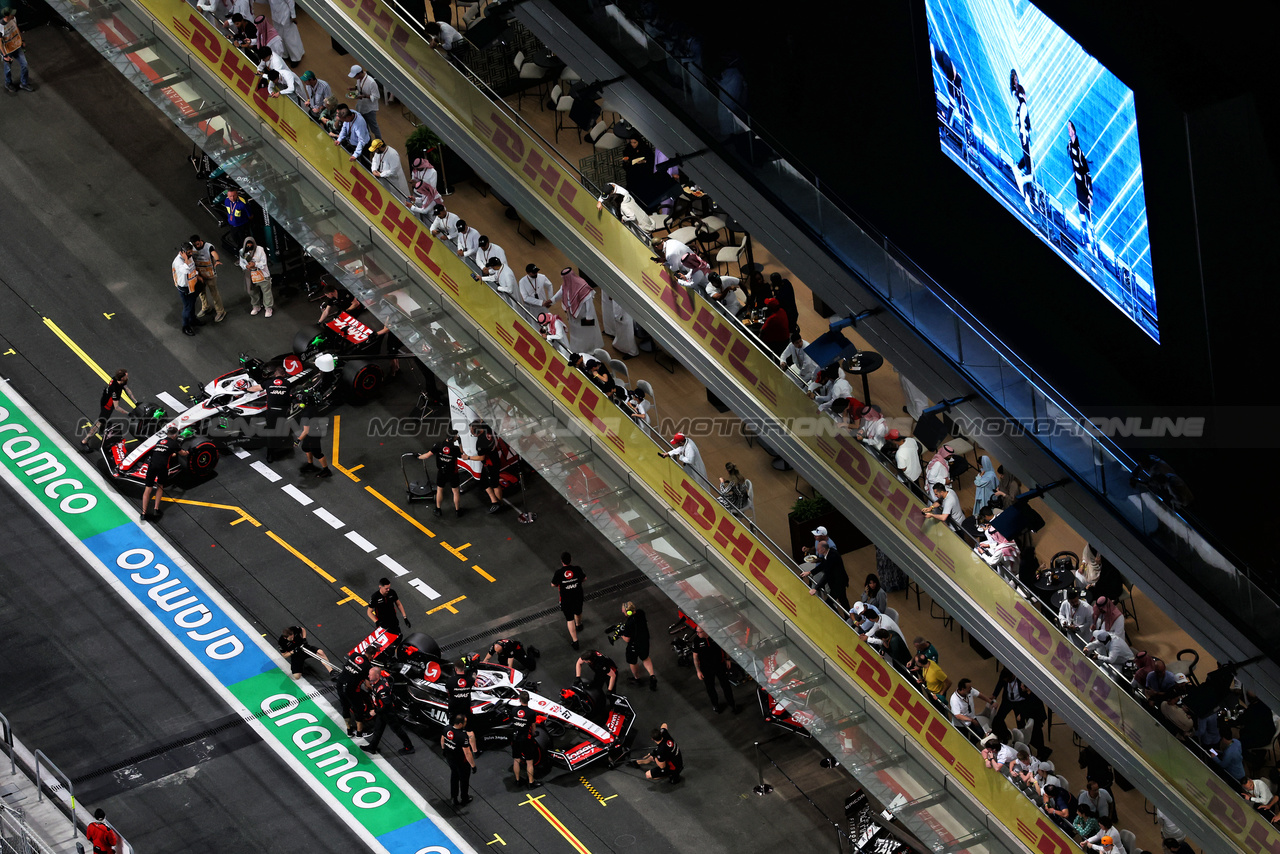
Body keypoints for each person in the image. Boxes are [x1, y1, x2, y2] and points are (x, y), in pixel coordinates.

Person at [551, 267, 603, 352]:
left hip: (584, 317)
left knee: (587, 335)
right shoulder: (566, 285)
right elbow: (561, 292)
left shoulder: (582, 286)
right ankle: (579, 350)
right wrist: (552, 301)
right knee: (577, 334)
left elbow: (589, 304)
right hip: (573, 316)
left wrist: (588, 319)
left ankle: (590, 350)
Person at [140, 426, 186, 520]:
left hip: (152, 466)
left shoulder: (159, 441)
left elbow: (165, 452)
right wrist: (189, 451)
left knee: (147, 489)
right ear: (174, 435)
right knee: (160, 486)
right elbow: (183, 453)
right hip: (162, 467)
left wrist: (173, 453)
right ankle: (156, 508)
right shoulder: (174, 443)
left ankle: (143, 513)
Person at [692, 626, 739, 713]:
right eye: (697, 632)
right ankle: (715, 705)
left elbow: (725, 647)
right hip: (706, 668)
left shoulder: (716, 637)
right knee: (710, 688)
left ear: (705, 631)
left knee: (726, 686)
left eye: (699, 632)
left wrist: (728, 659)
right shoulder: (697, 640)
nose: (697, 634)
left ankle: (732, 705)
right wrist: (698, 671)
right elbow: (695, 656)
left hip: (719, 665)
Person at [81, 369, 129, 451]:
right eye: (126, 375)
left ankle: (102, 428)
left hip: (105, 400)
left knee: (103, 420)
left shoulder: (116, 379)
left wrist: (135, 401)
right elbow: (117, 407)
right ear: (122, 378)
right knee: (99, 423)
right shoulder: (115, 390)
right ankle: (84, 441)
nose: (127, 376)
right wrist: (128, 413)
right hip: (107, 406)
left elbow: (127, 389)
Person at [419, 430, 463, 517]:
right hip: (452, 473)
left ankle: (438, 509)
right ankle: (458, 510)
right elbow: (463, 455)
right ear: (454, 437)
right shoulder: (455, 449)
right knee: (455, 491)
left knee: (440, 490)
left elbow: (427, 455)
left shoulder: (438, 445)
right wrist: (460, 443)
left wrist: (418, 456)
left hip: (441, 472)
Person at [1067, 120, 1094, 250]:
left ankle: (1093, 244)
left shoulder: (1078, 150)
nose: (1069, 131)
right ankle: (1087, 241)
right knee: (1081, 214)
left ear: (1074, 130)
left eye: (1071, 128)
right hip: (1078, 185)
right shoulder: (1070, 147)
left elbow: (1087, 173)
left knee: (1089, 217)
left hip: (1083, 186)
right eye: (1068, 129)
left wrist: (1090, 194)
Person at [1009, 68, 1034, 208]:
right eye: (1014, 79)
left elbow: (1020, 116)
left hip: (1024, 133)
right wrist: (1022, 133)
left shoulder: (1021, 103)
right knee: (1030, 167)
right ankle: (1022, 178)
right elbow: (1019, 114)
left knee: (1028, 161)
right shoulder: (1021, 103)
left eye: (1016, 78)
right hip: (1023, 133)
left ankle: (1018, 170)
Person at [619, 601, 657, 691]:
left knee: (633, 661)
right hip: (644, 641)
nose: (622, 611)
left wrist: (621, 634)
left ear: (629, 612)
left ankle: (637, 678)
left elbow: (627, 639)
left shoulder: (629, 623)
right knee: (645, 658)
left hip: (634, 645)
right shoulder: (641, 612)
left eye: (623, 610)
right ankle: (652, 676)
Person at [188, 235, 226, 323]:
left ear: (200, 240)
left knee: (214, 293)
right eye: (195, 245)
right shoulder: (191, 246)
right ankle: (206, 307)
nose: (196, 246)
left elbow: (213, 253)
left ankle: (220, 312)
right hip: (199, 275)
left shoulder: (208, 246)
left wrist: (217, 260)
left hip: (210, 275)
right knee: (201, 292)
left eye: (197, 244)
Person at [801, 540, 849, 610]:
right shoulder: (828, 554)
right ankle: (848, 617)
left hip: (838, 583)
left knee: (830, 603)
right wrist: (810, 572)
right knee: (843, 600)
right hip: (837, 581)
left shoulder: (832, 557)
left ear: (823, 549)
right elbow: (822, 565)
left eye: (818, 549)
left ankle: (841, 616)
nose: (817, 550)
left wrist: (815, 588)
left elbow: (827, 575)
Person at [440, 715, 476, 807]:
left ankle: (454, 798)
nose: (466, 724)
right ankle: (464, 798)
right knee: (464, 780)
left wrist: (444, 749)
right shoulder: (462, 736)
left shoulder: (447, 728)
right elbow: (467, 753)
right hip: (461, 762)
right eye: (465, 722)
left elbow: (442, 739)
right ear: (460, 724)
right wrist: (473, 765)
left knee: (454, 777)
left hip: (450, 758)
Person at [509, 692, 542, 789]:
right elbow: (533, 727)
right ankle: (531, 783)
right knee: (529, 762)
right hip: (526, 740)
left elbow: (512, 722)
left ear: (519, 699)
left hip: (515, 738)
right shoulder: (531, 713)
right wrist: (533, 734)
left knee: (516, 760)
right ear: (528, 700)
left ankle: (518, 780)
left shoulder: (514, 710)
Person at [553, 552, 585, 649]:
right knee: (578, 612)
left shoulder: (559, 573)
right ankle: (579, 625)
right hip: (578, 596)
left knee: (569, 619)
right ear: (571, 559)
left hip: (566, 599)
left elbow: (553, 584)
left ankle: (575, 641)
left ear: (562, 561)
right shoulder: (577, 569)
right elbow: (584, 578)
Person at [239, 236, 273, 317]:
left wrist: (255, 264)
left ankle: (268, 308)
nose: (250, 247)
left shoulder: (260, 250)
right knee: (252, 292)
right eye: (248, 246)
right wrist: (246, 266)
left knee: (266, 292)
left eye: (251, 245)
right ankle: (256, 306)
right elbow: (241, 263)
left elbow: (264, 262)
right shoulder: (242, 251)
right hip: (251, 276)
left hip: (262, 275)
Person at [172, 241, 201, 336]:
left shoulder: (189, 257)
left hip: (192, 285)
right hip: (185, 288)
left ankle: (192, 319)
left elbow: (192, 268)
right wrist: (186, 258)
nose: (191, 254)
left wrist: (197, 275)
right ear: (183, 252)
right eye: (188, 252)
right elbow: (187, 269)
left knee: (192, 304)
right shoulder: (178, 262)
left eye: (191, 252)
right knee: (187, 307)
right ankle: (185, 326)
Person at [346, 64, 381, 142]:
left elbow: (376, 96)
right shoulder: (359, 79)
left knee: (374, 127)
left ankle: (380, 142)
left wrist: (364, 96)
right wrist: (353, 88)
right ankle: (368, 141)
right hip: (361, 106)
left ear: (359, 73)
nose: (355, 78)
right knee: (364, 126)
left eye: (355, 76)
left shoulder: (371, 82)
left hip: (369, 109)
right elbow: (359, 87)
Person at [1, 7, 31, 92]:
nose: (13, 14)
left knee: (24, 64)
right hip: (8, 51)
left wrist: (22, 40)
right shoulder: (1, 27)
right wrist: (5, 55)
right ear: (7, 16)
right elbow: (0, 43)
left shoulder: (13, 19)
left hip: (17, 47)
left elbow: (16, 28)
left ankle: (24, 83)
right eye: (11, 13)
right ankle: (8, 83)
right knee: (8, 68)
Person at [267, 0, 304, 64]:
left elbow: (291, 2)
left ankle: (296, 57)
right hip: (276, 17)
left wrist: (293, 15)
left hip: (285, 16)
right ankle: (285, 54)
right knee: (280, 36)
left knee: (290, 38)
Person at [447, 658, 474, 724]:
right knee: (468, 726)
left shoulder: (450, 681)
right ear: (464, 667)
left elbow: (448, 692)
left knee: (454, 725)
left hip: (454, 707)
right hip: (466, 706)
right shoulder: (470, 680)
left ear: (455, 669)